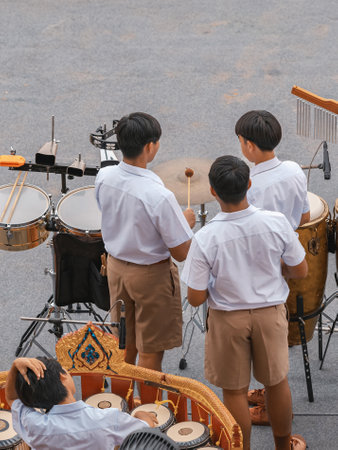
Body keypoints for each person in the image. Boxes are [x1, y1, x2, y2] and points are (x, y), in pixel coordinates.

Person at [181, 156, 308, 450]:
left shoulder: (206, 237)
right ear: (249, 185)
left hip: (227, 320)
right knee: (276, 384)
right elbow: (301, 270)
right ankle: (282, 445)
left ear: (212, 192)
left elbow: (196, 297)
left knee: (235, 391)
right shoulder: (275, 222)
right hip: (270, 315)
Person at [95, 112, 195, 372]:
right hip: (151, 276)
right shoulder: (158, 195)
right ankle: (146, 410)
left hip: (116, 269)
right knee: (150, 352)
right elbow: (182, 252)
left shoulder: (104, 178)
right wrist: (186, 223)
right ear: (150, 147)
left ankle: (122, 404)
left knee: (122, 344)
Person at [235, 110, 310, 421]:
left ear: (249, 146)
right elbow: (304, 218)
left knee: (265, 348)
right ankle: (268, 392)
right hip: (290, 257)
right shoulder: (294, 169)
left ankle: (269, 405)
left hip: (260, 268)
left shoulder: (250, 186)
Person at [5, 357, 157, 450]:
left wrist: (15, 365)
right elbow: (146, 432)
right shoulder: (110, 419)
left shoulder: (35, 426)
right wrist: (140, 415)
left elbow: (12, 398)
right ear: (62, 377)